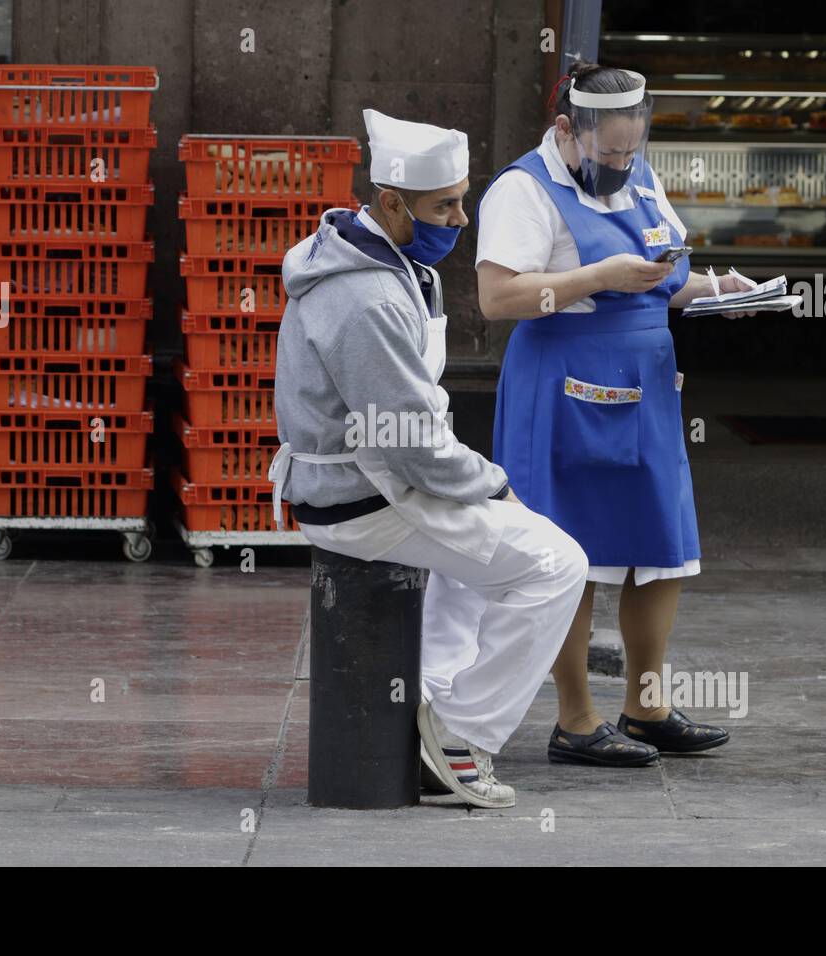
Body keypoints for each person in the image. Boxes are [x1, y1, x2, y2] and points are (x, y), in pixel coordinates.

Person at [269, 109, 590, 809]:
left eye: (463, 198)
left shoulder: (394, 263)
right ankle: (459, 736)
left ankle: (433, 702)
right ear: (391, 202)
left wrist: (474, 488)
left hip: (376, 483)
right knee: (558, 564)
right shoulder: (366, 297)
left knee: (482, 562)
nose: (461, 217)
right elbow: (409, 443)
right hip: (364, 498)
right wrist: (493, 486)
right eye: (445, 204)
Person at [475, 61, 753, 768]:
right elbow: (499, 299)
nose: (622, 165)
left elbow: (661, 280)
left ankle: (647, 705)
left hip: (647, 385)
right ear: (567, 131)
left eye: (633, 152)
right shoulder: (522, 190)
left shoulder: (640, 174)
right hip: (562, 386)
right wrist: (597, 276)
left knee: (659, 546)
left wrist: (718, 288)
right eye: (608, 155)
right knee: (571, 555)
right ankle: (576, 718)